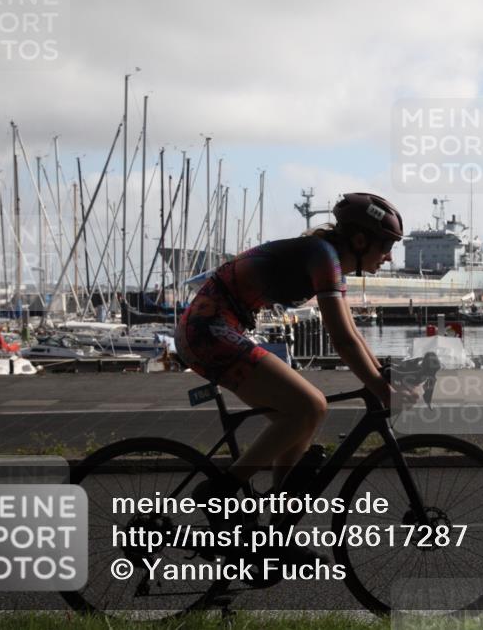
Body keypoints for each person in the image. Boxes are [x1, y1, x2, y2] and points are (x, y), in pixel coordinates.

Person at [175, 192, 421, 513]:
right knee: (310, 405)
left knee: (303, 417)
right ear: (360, 241)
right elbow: (342, 339)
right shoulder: (323, 257)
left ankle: (280, 524)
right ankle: (218, 493)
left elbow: (353, 333)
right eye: (387, 247)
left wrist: (381, 376)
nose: (389, 257)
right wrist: (382, 390)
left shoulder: (331, 262)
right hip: (207, 331)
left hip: (214, 329)